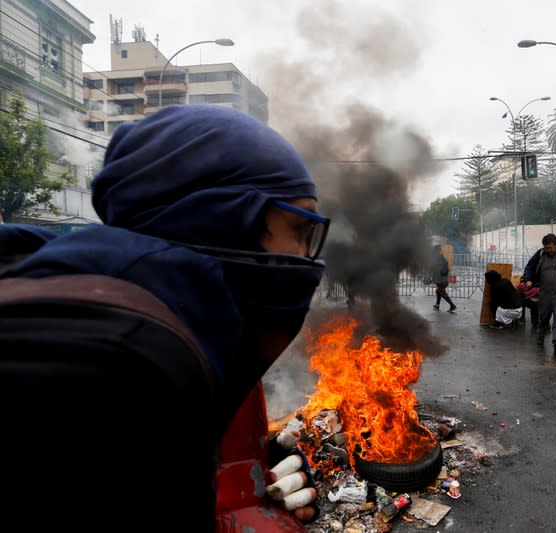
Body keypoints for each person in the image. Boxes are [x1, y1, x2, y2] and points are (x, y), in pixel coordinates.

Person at [0, 106, 325, 529]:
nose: (305, 256)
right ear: (229, 220)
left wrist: (238, 492)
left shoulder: (175, 330)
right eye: (300, 230)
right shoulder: (108, 356)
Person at [431, 244, 456, 312]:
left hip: (441, 280)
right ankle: (437, 305)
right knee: (438, 291)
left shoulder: (438, 258)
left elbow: (440, 268)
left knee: (441, 291)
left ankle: (452, 305)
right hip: (441, 279)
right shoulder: (439, 257)